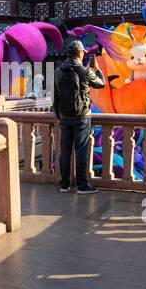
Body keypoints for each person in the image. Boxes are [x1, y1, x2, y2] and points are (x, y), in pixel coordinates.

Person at [51, 39, 105, 194]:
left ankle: (64, 184)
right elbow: (101, 84)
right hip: (82, 117)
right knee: (81, 151)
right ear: (81, 53)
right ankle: (82, 185)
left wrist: (59, 116)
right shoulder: (85, 71)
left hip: (64, 116)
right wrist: (97, 69)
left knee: (65, 151)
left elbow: (55, 96)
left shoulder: (57, 71)